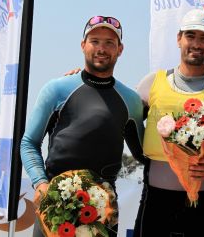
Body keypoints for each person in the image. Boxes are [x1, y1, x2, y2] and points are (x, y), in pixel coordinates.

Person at [20, 15, 146, 237]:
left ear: (120, 49)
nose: (101, 48)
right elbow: (29, 142)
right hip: (54, 205)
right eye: (95, 41)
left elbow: (145, 154)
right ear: (83, 45)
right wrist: (41, 184)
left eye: (109, 43)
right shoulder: (57, 89)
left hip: (102, 211)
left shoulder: (131, 100)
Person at [133, 9, 204, 237]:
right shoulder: (151, 83)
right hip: (155, 203)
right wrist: (79, 77)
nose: (196, 44)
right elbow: (122, 120)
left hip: (202, 208)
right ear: (179, 38)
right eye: (190, 36)